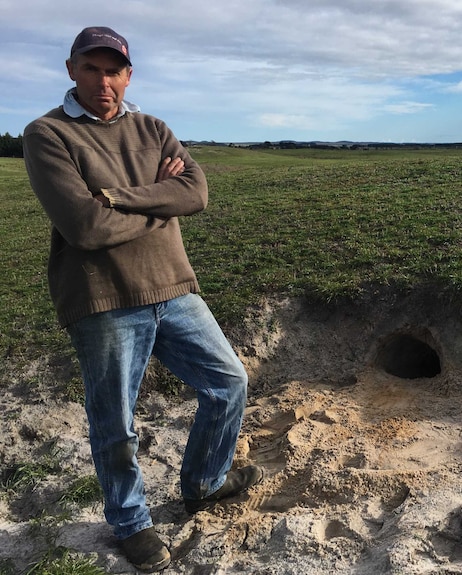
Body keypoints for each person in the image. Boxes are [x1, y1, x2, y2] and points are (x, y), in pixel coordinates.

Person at [23, 26, 262, 573]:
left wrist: (118, 197)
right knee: (117, 422)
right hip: (102, 297)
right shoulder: (48, 134)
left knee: (228, 382)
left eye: (114, 70)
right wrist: (162, 199)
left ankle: (205, 481)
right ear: (71, 69)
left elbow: (195, 193)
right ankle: (130, 522)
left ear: (128, 74)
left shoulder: (152, 127)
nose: (104, 81)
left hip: (174, 286)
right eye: (92, 68)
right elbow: (84, 226)